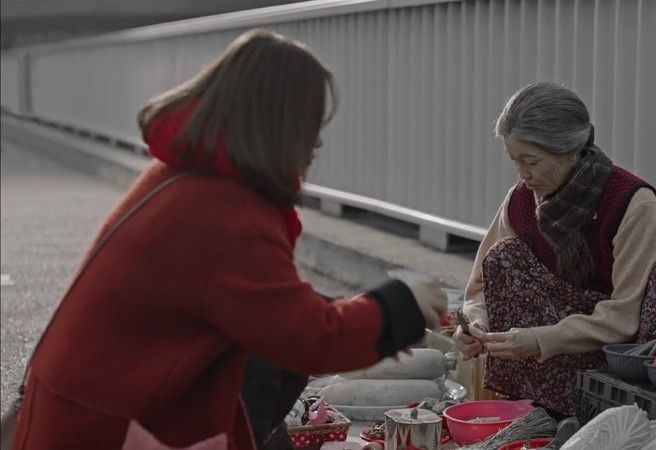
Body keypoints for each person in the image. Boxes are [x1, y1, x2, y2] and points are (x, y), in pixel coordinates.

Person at [10, 29, 447, 449]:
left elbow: (270, 306)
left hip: (85, 404)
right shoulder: (227, 215)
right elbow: (306, 337)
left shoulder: (189, 175)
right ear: (278, 124)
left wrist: (371, 309)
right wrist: (401, 302)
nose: (315, 141)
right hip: (108, 427)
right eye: (310, 122)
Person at [453, 82, 656, 418]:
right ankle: (539, 410)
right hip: (554, 348)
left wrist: (539, 339)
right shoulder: (520, 199)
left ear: (569, 149)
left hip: (624, 349)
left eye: (531, 160)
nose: (522, 173)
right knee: (505, 256)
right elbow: (479, 290)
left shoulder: (633, 206)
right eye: (514, 160)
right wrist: (475, 326)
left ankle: (644, 414)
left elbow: (624, 315)